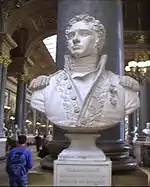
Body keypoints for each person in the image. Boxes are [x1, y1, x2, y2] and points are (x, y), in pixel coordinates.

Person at [29, 14, 140, 130]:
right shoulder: (47, 87)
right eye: (72, 35)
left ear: (98, 40)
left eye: (84, 33)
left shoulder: (122, 88)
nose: (75, 39)